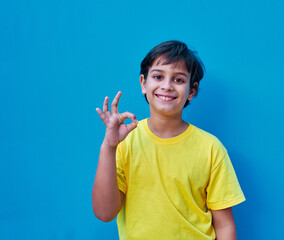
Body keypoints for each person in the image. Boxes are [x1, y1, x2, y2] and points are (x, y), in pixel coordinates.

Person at [92, 40, 245, 240]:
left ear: (191, 91)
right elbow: (104, 213)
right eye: (158, 76)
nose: (167, 86)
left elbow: (224, 227)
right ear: (143, 83)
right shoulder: (125, 142)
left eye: (178, 80)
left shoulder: (211, 148)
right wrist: (108, 147)